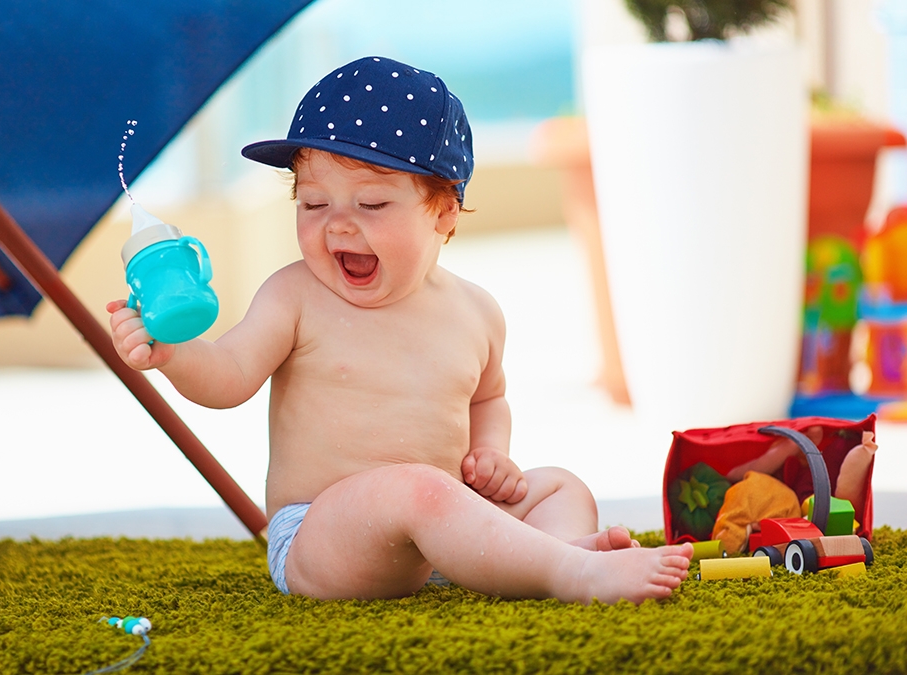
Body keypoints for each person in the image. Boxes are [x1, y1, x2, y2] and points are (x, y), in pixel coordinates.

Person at [107, 56, 692, 604]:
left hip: (441, 521)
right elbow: (229, 376)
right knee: (414, 488)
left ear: (442, 213)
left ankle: (547, 552)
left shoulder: (475, 311)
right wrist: (174, 352)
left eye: (372, 205)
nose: (338, 226)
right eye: (313, 205)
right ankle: (569, 570)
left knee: (561, 486)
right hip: (323, 534)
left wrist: (491, 454)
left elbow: (489, 397)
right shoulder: (294, 295)